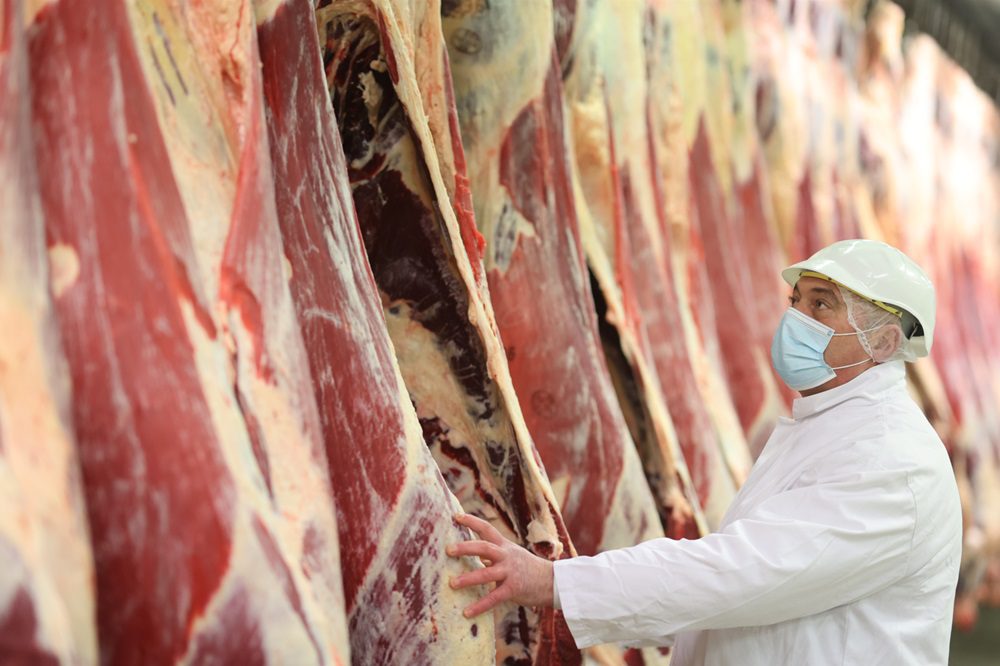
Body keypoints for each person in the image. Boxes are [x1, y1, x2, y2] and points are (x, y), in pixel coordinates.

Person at [447, 239, 962, 665]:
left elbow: (741, 573)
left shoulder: (893, 460)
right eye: (797, 301)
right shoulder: (835, 430)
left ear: (884, 341)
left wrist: (558, 583)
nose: (795, 319)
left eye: (821, 305)